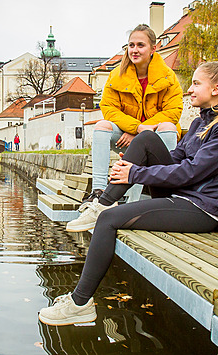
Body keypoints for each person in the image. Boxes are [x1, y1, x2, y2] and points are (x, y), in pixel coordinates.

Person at [38, 59, 218, 326]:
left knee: (108, 221)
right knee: (145, 139)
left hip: (202, 208)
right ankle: (103, 202)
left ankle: (80, 304)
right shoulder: (202, 123)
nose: (190, 90)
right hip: (182, 194)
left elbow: (193, 172)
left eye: (197, 83)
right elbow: (177, 158)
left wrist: (135, 173)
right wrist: (134, 163)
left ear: (217, 89)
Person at [66, 24, 183, 232]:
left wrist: (142, 131)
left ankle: (164, 194)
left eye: (141, 45)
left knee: (169, 126)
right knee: (102, 126)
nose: (134, 50)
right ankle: (100, 193)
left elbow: (174, 110)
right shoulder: (116, 76)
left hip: (156, 138)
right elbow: (109, 109)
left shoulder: (167, 76)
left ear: (153, 49)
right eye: (131, 45)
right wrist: (135, 129)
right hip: (127, 134)